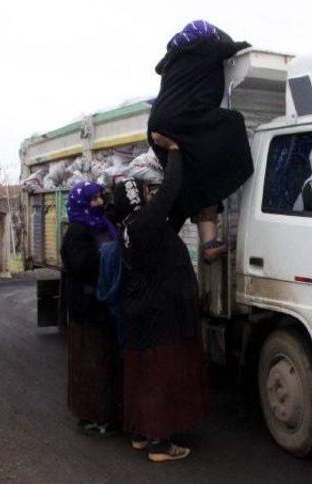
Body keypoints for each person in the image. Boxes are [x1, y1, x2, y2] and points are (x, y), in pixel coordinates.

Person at [114, 132, 209, 462]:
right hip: (160, 312)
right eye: (144, 191)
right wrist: (175, 152)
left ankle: (142, 433)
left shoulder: (130, 226)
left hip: (141, 311)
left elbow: (171, 213)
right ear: (138, 199)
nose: (149, 193)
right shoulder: (144, 224)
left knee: (142, 373)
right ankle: (160, 444)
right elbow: (169, 193)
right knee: (161, 375)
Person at [147, 20, 253, 263]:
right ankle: (243, 169)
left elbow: (158, 67)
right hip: (182, 119)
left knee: (193, 182)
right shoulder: (205, 46)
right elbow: (242, 47)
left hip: (159, 123)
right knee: (233, 122)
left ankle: (205, 244)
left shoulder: (172, 58)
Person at [60, 181, 121, 436]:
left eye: (100, 198)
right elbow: (82, 265)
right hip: (86, 311)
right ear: (81, 203)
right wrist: (108, 254)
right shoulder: (77, 231)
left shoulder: (101, 224)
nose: (98, 203)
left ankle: (104, 413)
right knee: (90, 363)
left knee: (104, 361)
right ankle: (92, 416)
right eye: (93, 200)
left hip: (102, 307)